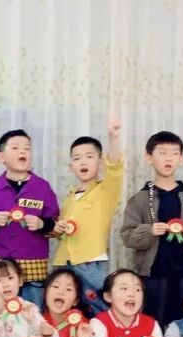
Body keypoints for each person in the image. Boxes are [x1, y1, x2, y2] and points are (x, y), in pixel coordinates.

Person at [120, 131, 183, 327]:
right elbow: (127, 237)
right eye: (162, 153)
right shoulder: (139, 199)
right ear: (149, 158)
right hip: (152, 275)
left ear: (182, 159)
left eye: (174, 153)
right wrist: (149, 230)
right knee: (153, 324)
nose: (169, 158)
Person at [0, 130, 60, 308]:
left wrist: (41, 224)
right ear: (1, 157)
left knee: (32, 312)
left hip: (33, 266)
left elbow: (55, 223)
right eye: (15, 148)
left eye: (27, 148)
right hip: (0, 265)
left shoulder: (43, 187)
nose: (22, 151)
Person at [50, 117, 125, 312]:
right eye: (77, 158)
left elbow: (115, 168)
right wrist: (57, 228)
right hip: (63, 262)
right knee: (64, 309)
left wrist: (113, 138)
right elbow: (59, 233)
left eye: (89, 156)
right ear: (70, 166)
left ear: (100, 163)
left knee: (98, 308)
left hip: (91, 262)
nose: (82, 162)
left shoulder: (106, 191)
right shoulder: (69, 197)